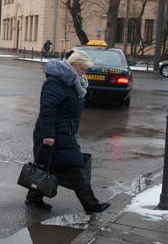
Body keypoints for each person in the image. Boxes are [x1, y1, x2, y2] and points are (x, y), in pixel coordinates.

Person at [26, 50, 110, 214]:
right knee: (74, 166)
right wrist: (49, 135)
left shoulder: (73, 82)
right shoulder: (57, 82)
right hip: (53, 133)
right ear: (73, 65)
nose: (84, 73)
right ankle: (91, 205)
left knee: (49, 167)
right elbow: (48, 108)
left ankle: (33, 198)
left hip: (64, 131)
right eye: (83, 69)